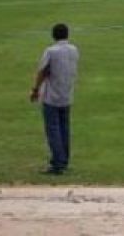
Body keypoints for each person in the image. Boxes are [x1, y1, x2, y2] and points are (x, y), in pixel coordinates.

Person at [30, 23, 79, 175]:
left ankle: (57, 162)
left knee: (53, 130)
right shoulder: (74, 50)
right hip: (67, 93)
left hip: (52, 96)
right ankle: (64, 159)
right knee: (65, 128)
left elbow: (43, 71)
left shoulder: (51, 51)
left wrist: (35, 89)